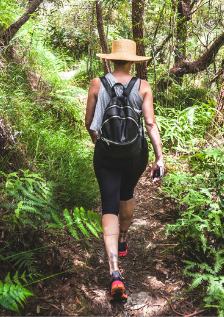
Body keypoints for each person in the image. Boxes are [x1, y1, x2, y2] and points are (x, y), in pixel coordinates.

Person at [84, 38, 165, 303]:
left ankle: (114, 271)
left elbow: (89, 124)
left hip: (106, 153)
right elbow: (150, 124)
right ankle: (124, 238)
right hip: (134, 153)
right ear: (132, 61)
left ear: (111, 59)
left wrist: (101, 146)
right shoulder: (143, 86)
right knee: (127, 193)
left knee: (109, 206)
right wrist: (159, 158)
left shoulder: (97, 83)